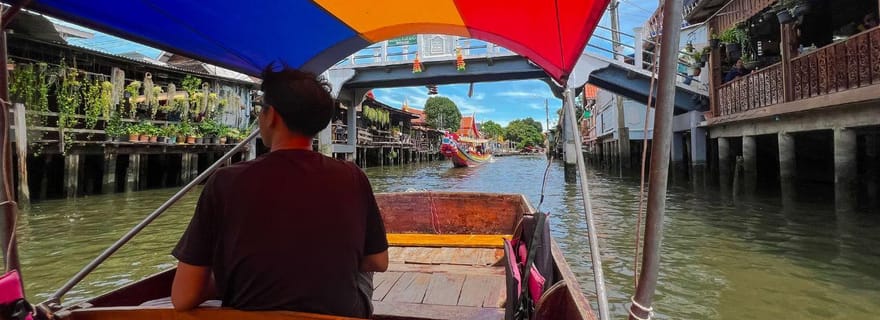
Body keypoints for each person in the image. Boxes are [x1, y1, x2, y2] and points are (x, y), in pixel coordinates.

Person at [170, 64, 389, 318]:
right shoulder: (353, 177)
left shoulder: (224, 181)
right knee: (362, 267)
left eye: (260, 109)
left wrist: (227, 278)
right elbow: (378, 261)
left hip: (250, 313)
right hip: (338, 314)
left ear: (271, 115)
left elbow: (183, 297)